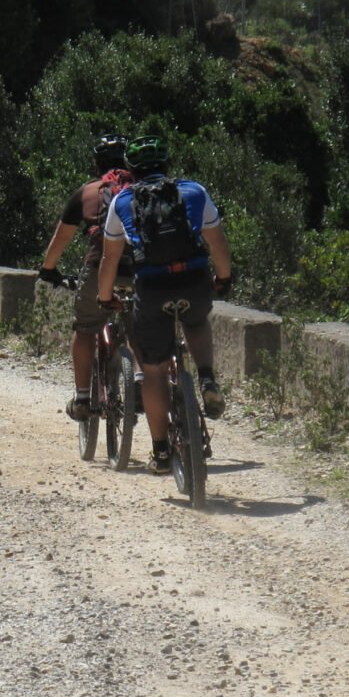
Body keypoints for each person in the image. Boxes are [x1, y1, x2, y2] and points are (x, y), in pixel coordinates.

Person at [96, 136, 233, 474]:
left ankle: (160, 452)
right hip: (194, 279)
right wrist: (224, 279)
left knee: (154, 371)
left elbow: (110, 258)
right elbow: (217, 242)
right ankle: (206, 379)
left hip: (152, 287)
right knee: (197, 321)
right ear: (167, 165)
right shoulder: (195, 191)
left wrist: (104, 296)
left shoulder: (122, 201)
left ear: (131, 170)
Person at [37, 133, 133, 420]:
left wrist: (48, 270)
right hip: (141, 266)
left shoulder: (88, 192)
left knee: (85, 328)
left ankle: (81, 398)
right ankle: (139, 383)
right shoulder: (142, 189)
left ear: (96, 163)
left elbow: (61, 238)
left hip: (99, 265)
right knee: (144, 323)